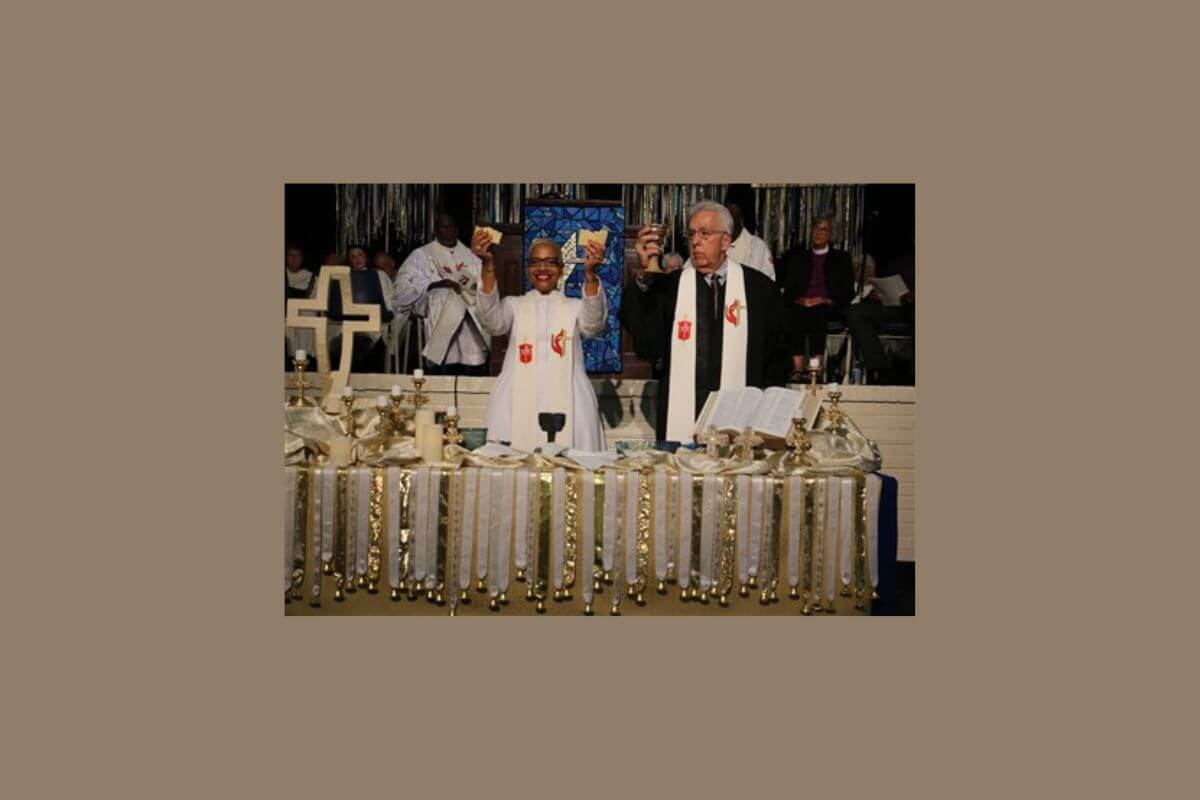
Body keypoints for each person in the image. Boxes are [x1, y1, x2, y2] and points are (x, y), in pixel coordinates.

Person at [620, 201, 788, 443]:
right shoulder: (671, 287)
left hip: (742, 423)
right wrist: (645, 274)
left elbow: (776, 356)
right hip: (682, 419)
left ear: (726, 241)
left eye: (705, 233)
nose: (695, 241)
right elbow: (647, 339)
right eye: (691, 233)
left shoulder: (759, 289)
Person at [474, 233, 609, 451]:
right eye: (535, 263)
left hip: (571, 398)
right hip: (516, 398)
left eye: (550, 262)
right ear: (528, 270)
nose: (542, 269)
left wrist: (591, 275)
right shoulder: (514, 305)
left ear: (562, 268)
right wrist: (488, 265)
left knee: (569, 475)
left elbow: (593, 325)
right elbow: (492, 322)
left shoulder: (574, 306)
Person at [393, 212, 489, 376]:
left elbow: (482, 284)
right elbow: (403, 285)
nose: (449, 231)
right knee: (444, 294)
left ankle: (472, 362)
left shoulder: (470, 256)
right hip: (430, 301)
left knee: (464, 300)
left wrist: (465, 285)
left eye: (452, 226)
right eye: (445, 227)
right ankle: (441, 361)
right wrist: (435, 284)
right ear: (437, 230)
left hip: (467, 303)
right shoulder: (421, 254)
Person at [777, 216, 854, 380]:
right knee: (795, 312)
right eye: (816, 229)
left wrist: (825, 300)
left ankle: (815, 369)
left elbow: (847, 290)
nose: (819, 233)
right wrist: (800, 299)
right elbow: (789, 288)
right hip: (802, 304)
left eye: (824, 229)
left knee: (817, 312)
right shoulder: (798, 258)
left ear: (831, 235)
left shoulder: (841, 258)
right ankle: (797, 369)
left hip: (828, 305)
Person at [846, 250, 914, 384]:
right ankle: (880, 368)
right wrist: (878, 294)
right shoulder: (900, 262)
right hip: (894, 307)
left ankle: (913, 374)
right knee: (855, 311)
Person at [329, 244, 394, 373]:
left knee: (366, 345)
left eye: (360, 255)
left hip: (374, 325)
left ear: (366, 258)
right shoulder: (342, 277)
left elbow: (388, 301)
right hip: (347, 325)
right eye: (353, 257)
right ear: (349, 261)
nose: (357, 259)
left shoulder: (379, 275)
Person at [724, 185, 775, 281]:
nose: (728, 212)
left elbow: (768, 285)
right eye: (727, 206)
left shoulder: (757, 247)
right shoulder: (713, 242)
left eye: (734, 207)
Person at [284, 245, 316, 367]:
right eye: (290, 255)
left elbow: (315, 304)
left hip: (304, 323)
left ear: (302, 258)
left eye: (296, 255)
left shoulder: (312, 278)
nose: (293, 258)